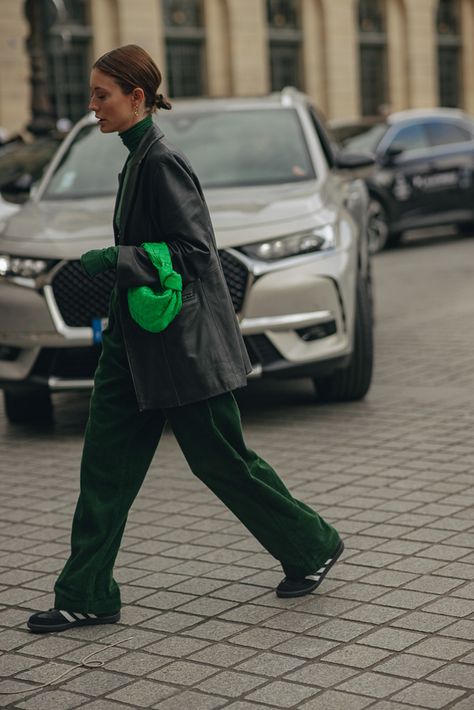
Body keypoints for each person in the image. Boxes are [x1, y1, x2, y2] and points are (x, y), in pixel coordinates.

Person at [27, 45, 343, 633]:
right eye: (92, 95)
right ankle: (87, 592)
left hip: (178, 350)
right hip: (132, 347)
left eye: (101, 95)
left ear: (136, 98)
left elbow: (197, 253)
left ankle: (311, 544)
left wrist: (117, 258)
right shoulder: (136, 157)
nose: (91, 106)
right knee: (104, 469)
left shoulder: (160, 160)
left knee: (222, 461)